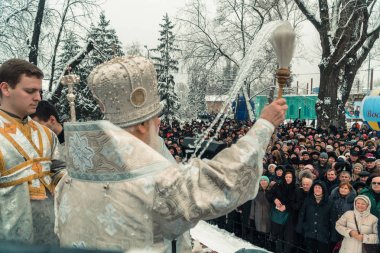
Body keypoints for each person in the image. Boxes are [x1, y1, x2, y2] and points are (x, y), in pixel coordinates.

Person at [54, 56, 288, 252]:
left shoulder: (70, 178)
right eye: (156, 118)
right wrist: (265, 124)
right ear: (144, 126)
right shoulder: (156, 185)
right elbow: (228, 179)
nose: (159, 124)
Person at [0, 59, 65, 245]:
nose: (38, 97)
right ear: (5, 89)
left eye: (39, 91)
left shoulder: (46, 135)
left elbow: (58, 172)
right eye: (30, 91)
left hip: (51, 237)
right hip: (10, 240)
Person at [296, 181, 337, 253]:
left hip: (323, 234)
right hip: (309, 233)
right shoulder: (308, 200)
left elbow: (333, 220)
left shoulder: (330, 202)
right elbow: (302, 215)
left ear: (323, 189)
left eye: (319, 188)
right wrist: (301, 227)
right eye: (315, 187)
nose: (317, 189)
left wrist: (333, 236)